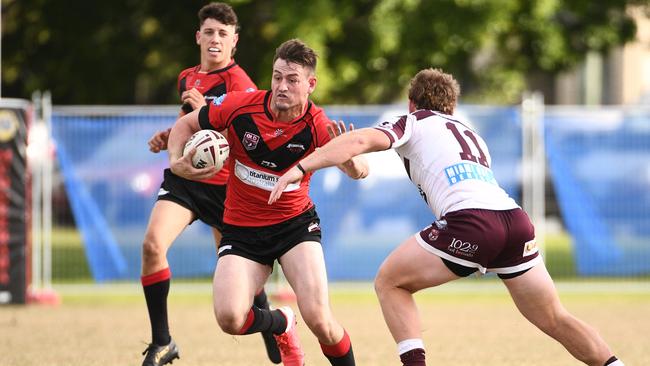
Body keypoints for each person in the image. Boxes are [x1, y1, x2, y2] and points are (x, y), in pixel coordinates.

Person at [268, 68, 625, 366]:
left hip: (473, 222)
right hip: (515, 220)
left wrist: (302, 167)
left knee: (390, 283)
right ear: (451, 106)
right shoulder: (472, 135)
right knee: (554, 317)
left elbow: (362, 142)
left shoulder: (413, 121)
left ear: (412, 103)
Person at [167, 39, 368, 366]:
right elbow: (187, 123)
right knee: (229, 317)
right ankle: (281, 324)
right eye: (277, 77)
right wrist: (176, 159)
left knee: (320, 320)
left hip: (295, 228)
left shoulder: (317, 124)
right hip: (241, 230)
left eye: (292, 80)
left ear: (310, 84)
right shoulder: (240, 106)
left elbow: (361, 170)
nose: (282, 86)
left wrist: (349, 161)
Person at [140, 3, 280, 365]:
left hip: (225, 190)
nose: (215, 39)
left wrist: (206, 112)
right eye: (209, 31)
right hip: (186, 179)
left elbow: (249, 138)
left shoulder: (242, 85)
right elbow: (187, 123)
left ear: (234, 41)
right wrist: (170, 136)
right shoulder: (187, 77)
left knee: (246, 285)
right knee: (153, 245)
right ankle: (162, 343)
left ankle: (274, 326)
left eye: (223, 33)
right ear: (198, 36)